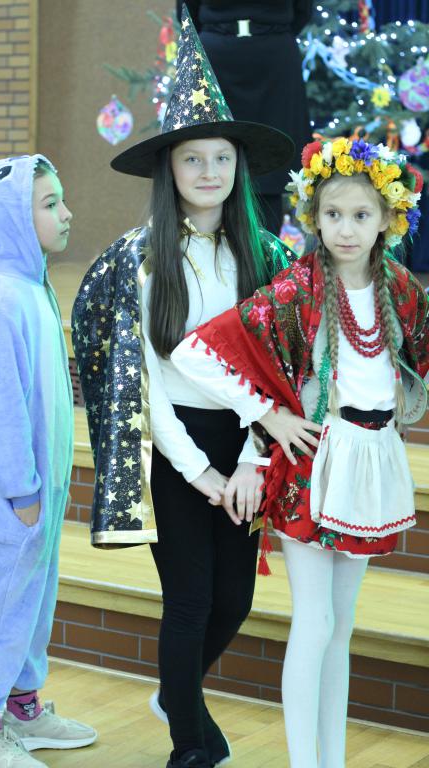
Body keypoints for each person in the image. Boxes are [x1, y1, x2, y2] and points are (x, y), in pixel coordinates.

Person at [72, 9, 294, 768]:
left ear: (238, 168)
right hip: (176, 448)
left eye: (222, 158)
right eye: (193, 158)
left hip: (247, 443)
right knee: (191, 600)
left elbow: (281, 372)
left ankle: (178, 694)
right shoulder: (140, 261)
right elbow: (142, 384)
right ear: (169, 169)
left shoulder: (266, 259)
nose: (208, 172)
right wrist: (199, 471)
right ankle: (188, 745)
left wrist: (252, 463)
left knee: (236, 600)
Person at [171, 137, 429, 768]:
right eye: (333, 214)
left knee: (340, 629)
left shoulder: (400, 289)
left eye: (361, 215)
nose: (346, 229)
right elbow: (193, 354)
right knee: (314, 625)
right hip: (315, 465)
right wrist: (269, 415)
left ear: (388, 219)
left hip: (371, 461)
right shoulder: (298, 289)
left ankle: (331, 761)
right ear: (314, 217)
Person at [0, 154, 97, 768]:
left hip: (34, 494)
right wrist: (21, 489)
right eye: (50, 203)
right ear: (9, 217)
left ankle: (22, 708)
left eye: (62, 200)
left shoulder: (29, 287)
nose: (67, 213)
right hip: (9, 497)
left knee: (30, 602)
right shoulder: (1, 299)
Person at [177, 0, 313, 235]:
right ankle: (208, 250)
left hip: (274, 58)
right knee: (209, 149)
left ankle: (264, 253)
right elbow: (187, 10)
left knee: (272, 160)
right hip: (215, 56)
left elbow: (302, 8)